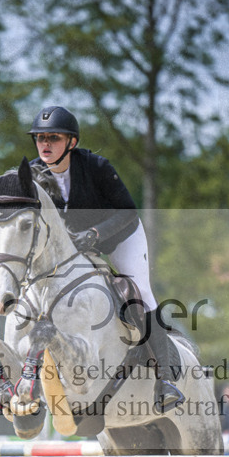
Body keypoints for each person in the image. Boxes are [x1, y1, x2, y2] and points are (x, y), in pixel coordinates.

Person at [27, 105, 183, 413]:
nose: (45, 144)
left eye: (53, 138)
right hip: (73, 246)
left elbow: (128, 211)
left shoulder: (96, 166)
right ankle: (27, 379)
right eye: (39, 138)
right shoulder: (32, 174)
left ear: (71, 142)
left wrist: (96, 234)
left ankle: (166, 379)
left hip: (119, 236)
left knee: (139, 293)